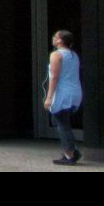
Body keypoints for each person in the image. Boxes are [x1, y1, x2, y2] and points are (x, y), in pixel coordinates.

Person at [44, 29, 83, 165]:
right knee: (63, 122)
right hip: (75, 92)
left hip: (62, 93)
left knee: (62, 124)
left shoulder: (56, 55)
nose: (53, 38)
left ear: (60, 40)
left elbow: (54, 77)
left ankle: (70, 154)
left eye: (56, 37)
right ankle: (72, 151)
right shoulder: (74, 55)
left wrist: (49, 97)